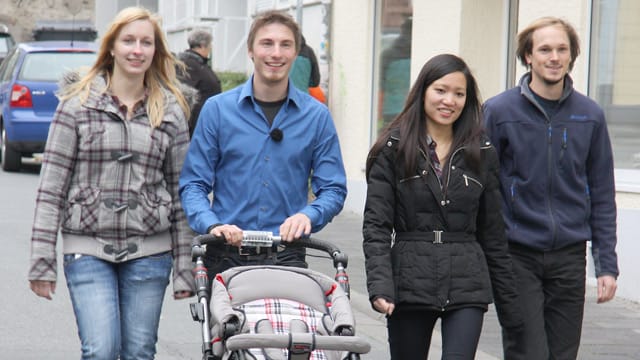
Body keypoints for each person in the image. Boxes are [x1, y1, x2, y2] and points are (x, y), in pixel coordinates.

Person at [28, 7, 196, 359]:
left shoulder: (170, 110)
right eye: (129, 41)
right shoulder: (76, 104)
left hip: (150, 250)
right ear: (112, 47)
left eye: (146, 42)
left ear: (156, 51)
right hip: (87, 244)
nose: (137, 50)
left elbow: (181, 193)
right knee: (101, 350)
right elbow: (51, 189)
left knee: (138, 353)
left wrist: (185, 268)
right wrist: (42, 261)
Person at [363, 53, 523, 360]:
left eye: (459, 93)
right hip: (409, 281)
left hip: (466, 282)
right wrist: (380, 286)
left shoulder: (481, 150)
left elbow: (492, 233)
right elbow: (376, 227)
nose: (449, 100)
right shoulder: (393, 148)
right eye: (441, 90)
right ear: (423, 90)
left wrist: (509, 304)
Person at [483, 16, 619, 359]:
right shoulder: (498, 112)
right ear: (528, 56)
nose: (554, 57)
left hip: (569, 256)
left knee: (562, 354)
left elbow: (602, 192)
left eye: (562, 49)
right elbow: (483, 186)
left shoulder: (590, 115)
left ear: (572, 55)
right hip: (516, 254)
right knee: (528, 352)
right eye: (545, 49)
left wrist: (606, 265)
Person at [179, 10, 347, 280]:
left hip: (288, 254)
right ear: (250, 50)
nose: (276, 53)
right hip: (225, 255)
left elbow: (333, 189)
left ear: (296, 53)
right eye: (267, 43)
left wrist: (309, 215)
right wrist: (213, 224)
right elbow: (193, 184)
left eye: (285, 45)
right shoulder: (217, 111)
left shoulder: (317, 116)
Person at [177, 28, 222, 137]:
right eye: (210, 45)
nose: (210, 48)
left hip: (205, 121)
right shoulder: (188, 64)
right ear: (202, 45)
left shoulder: (199, 63)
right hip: (195, 126)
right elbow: (183, 95)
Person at [379, 16, 412, 128]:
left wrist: (379, 114)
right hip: (409, 109)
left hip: (389, 110)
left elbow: (380, 88)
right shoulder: (415, 54)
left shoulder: (388, 54)